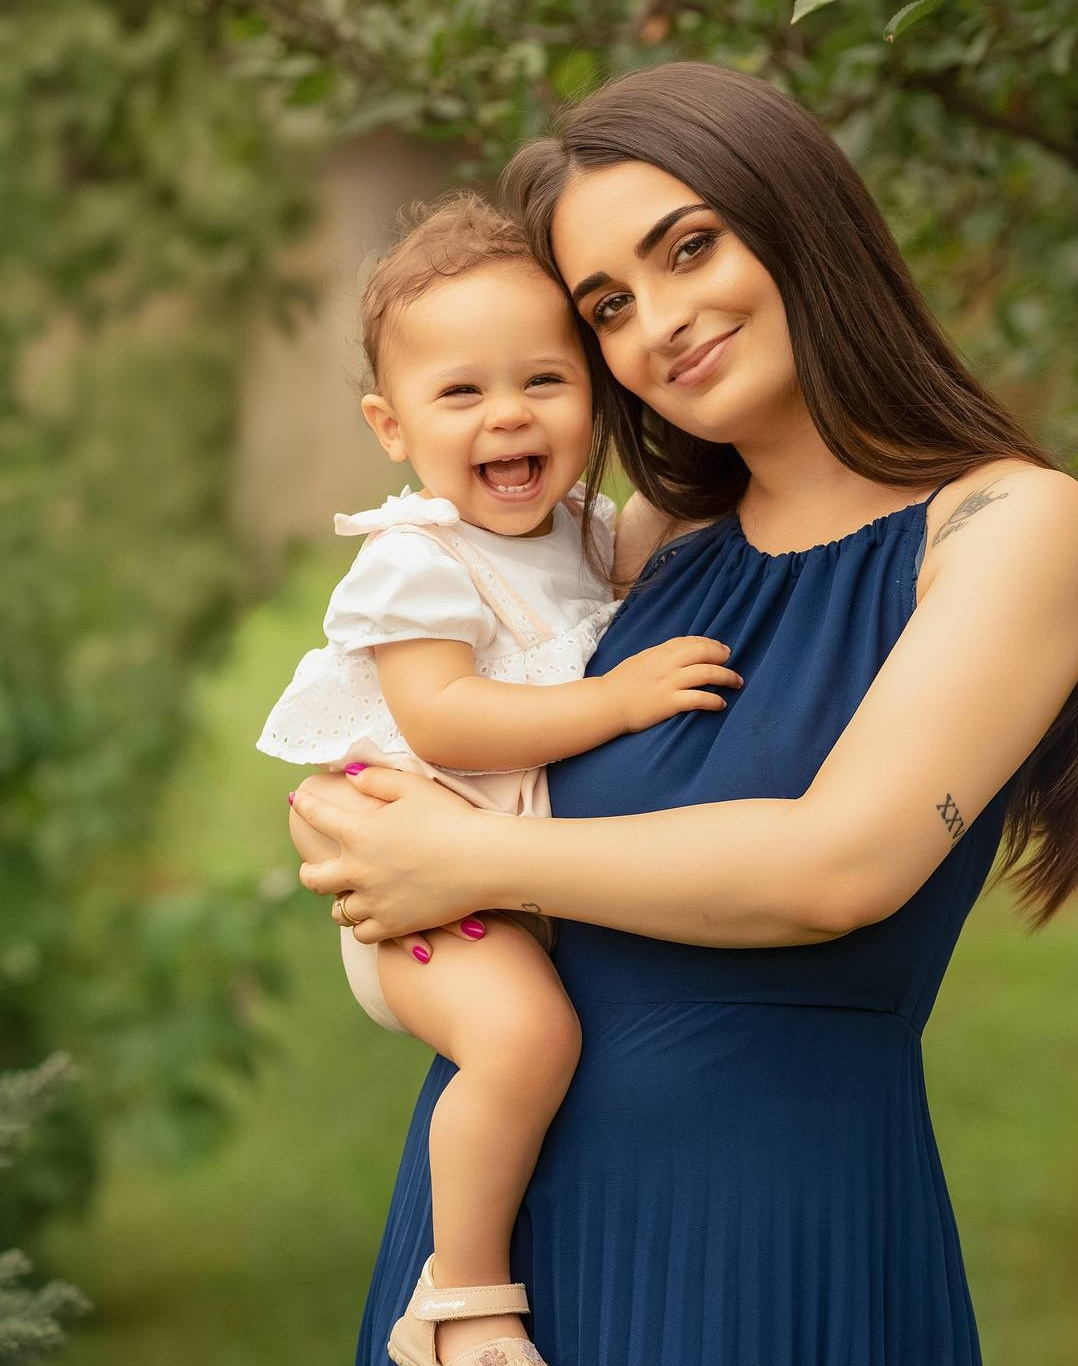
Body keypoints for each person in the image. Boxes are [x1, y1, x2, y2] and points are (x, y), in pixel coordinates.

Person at [289, 62, 1078, 1366]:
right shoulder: (650, 540)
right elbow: (447, 721)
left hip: (771, 1221)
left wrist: (463, 860)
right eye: (610, 305)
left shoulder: (1009, 525)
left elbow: (836, 867)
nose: (661, 324)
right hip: (490, 1263)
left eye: (690, 247)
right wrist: (358, 804)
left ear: (797, 218)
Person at [259, 191, 742, 1366]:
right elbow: (448, 717)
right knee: (523, 1039)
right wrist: (616, 703)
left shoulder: (579, 529)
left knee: (558, 1031)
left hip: (512, 876)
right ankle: (462, 1303)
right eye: (461, 392)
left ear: (595, 393)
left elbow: (658, 533)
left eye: (545, 381)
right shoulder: (413, 559)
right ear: (391, 423)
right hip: (429, 893)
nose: (508, 417)